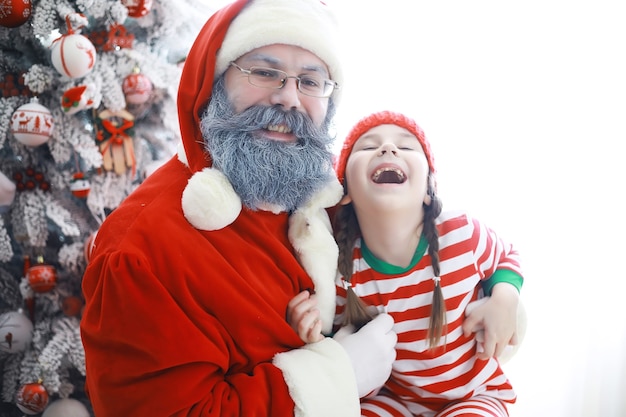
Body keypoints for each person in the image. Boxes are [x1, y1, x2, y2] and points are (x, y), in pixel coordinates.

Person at [79, 1, 397, 416]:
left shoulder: (318, 206)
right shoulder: (142, 253)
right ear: (212, 85)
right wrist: (341, 374)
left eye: (311, 81)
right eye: (265, 73)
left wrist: (500, 289)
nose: (289, 99)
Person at [297, 110, 524, 416]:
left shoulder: (462, 234)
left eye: (405, 146)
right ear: (345, 191)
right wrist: (312, 334)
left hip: (473, 394)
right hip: (393, 400)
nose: (387, 149)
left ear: (429, 188)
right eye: (368, 146)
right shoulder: (344, 270)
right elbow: (347, 351)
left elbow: (507, 256)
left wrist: (504, 300)